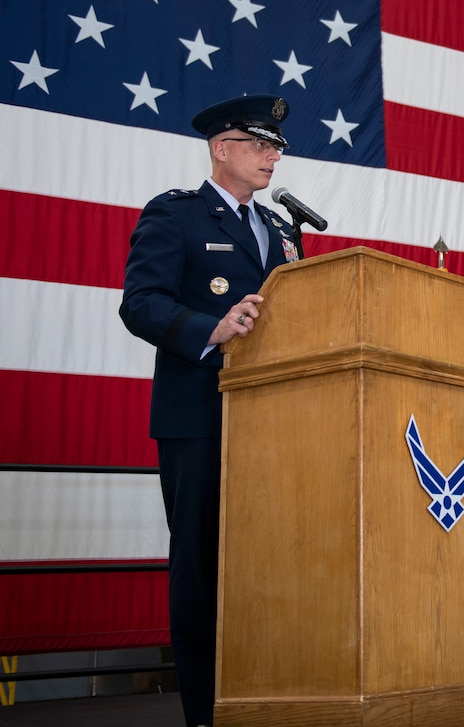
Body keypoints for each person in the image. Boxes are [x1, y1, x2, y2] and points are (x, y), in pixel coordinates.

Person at [119, 95, 300, 727]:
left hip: (271, 426)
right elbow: (139, 303)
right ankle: (206, 712)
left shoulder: (279, 231)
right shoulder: (176, 217)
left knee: (269, 567)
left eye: (276, 146)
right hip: (199, 419)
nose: (271, 155)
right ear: (221, 149)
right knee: (201, 567)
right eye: (258, 143)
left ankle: (265, 701)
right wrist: (211, 327)